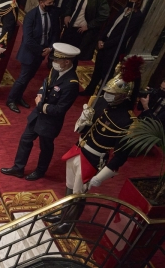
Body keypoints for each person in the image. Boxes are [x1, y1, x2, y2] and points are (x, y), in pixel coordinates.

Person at [47, 56, 143, 234]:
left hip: (93, 158)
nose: (108, 96)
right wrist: (84, 118)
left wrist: (102, 176)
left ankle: (69, 222)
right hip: (78, 149)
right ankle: (62, 214)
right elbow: (82, 129)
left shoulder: (128, 121)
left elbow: (120, 156)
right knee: (69, 187)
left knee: (79, 195)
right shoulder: (100, 103)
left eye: (113, 94)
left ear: (124, 96)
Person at [1, 43, 80, 181]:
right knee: (25, 140)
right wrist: (40, 95)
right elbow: (45, 85)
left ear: (67, 62)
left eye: (56, 60)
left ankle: (40, 171)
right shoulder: (56, 70)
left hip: (50, 122)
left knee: (45, 147)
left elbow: (60, 109)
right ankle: (18, 168)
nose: (53, 62)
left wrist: (41, 105)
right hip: (37, 116)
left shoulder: (71, 83)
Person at [79, 0, 144, 96]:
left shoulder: (137, 16)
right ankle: (89, 91)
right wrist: (101, 38)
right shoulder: (123, 9)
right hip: (104, 42)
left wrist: (106, 44)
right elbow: (110, 24)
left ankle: (101, 96)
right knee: (97, 70)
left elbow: (124, 35)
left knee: (106, 74)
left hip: (114, 48)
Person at [5, 0, 60, 114]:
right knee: (23, 78)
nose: (52, 5)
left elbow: (55, 32)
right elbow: (27, 40)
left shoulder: (52, 13)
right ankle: (10, 100)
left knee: (29, 77)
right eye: (49, 3)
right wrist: (41, 51)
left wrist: (50, 48)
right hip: (29, 53)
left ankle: (19, 97)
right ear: (41, 2)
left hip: (42, 52)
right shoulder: (31, 16)